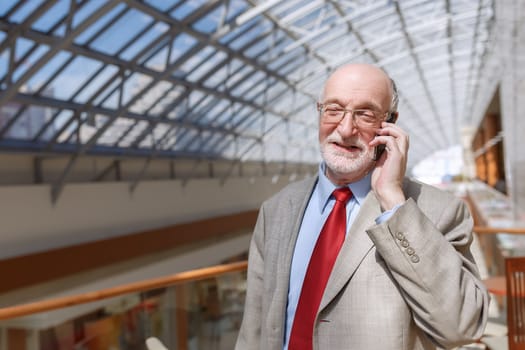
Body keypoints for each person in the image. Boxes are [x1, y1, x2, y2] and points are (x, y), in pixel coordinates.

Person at [235, 63, 490, 350]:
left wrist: (393, 201)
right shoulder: (277, 210)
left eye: (365, 114)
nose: (345, 129)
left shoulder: (437, 211)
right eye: (333, 110)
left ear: (390, 123)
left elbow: (461, 327)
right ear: (319, 112)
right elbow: (253, 330)